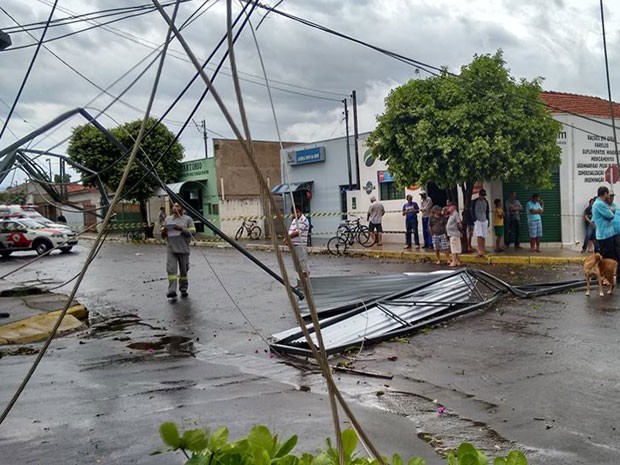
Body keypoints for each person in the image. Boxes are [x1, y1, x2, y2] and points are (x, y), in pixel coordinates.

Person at [161, 202, 196, 299]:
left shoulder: (188, 219)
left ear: (182, 208)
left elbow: (192, 232)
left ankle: (183, 288)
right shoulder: (168, 219)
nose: (174, 208)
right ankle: (171, 290)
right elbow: (163, 235)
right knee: (171, 270)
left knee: (184, 271)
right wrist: (164, 231)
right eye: (173, 206)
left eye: (177, 206)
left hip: (183, 248)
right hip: (171, 248)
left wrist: (181, 228)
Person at [288, 204, 310, 277]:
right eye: (294, 212)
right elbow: (291, 231)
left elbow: (297, 232)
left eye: (297, 212)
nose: (296, 214)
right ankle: (301, 282)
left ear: (300, 212)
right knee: (297, 266)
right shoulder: (294, 220)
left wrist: (287, 237)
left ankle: (306, 282)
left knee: (303, 266)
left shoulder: (304, 220)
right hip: (293, 245)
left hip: (300, 245)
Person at [471, 189, 489, 257]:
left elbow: (487, 211)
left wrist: (487, 219)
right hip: (478, 220)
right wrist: (475, 219)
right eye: (482, 195)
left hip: (484, 219)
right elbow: (472, 210)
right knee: (479, 235)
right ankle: (480, 250)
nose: (482, 197)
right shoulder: (475, 202)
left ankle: (483, 249)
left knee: (484, 235)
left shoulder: (486, 202)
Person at [445, 202, 462, 267]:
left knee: (454, 248)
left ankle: (454, 261)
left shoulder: (455, 214)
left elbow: (459, 223)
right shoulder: (451, 214)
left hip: (454, 233)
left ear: (454, 207)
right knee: (455, 248)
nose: (448, 208)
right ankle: (457, 261)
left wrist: (460, 231)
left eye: (450, 206)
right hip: (451, 233)